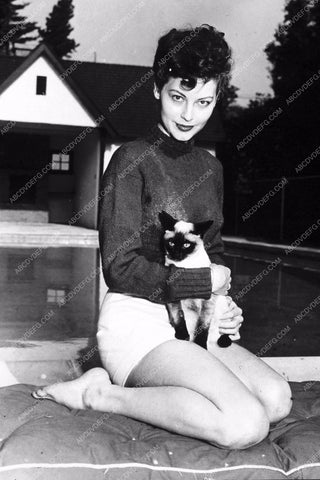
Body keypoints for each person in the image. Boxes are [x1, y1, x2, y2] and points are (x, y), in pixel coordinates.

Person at [33, 24, 292, 449]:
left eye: (204, 102)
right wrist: (203, 284)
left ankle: (178, 382)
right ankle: (100, 392)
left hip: (193, 321)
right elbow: (120, 268)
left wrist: (225, 304)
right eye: (179, 98)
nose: (190, 114)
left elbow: (216, 253)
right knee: (245, 424)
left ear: (217, 99)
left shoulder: (211, 170)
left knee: (276, 400)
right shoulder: (130, 160)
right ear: (158, 89)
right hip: (137, 323)